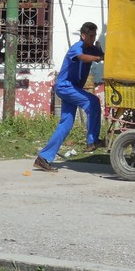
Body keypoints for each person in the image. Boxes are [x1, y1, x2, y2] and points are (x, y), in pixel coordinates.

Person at [33, 21, 106, 172]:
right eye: (90, 36)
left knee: (66, 124)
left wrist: (102, 53)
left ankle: (43, 157)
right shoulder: (77, 48)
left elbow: (102, 55)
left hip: (72, 88)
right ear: (83, 35)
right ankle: (92, 141)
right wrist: (98, 58)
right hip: (65, 87)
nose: (92, 39)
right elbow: (83, 58)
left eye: (94, 36)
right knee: (92, 102)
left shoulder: (91, 48)